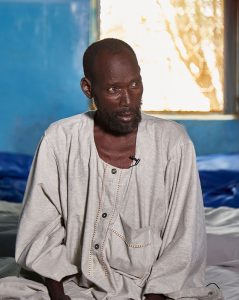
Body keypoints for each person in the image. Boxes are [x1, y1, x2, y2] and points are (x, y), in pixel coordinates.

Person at [0, 38, 223, 300]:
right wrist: (59, 296)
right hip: (72, 285)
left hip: (152, 289)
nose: (128, 100)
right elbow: (41, 230)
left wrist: (156, 296)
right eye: (114, 89)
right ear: (88, 89)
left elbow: (184, 239)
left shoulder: (173, 142)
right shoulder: (60, 139)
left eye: (135, 84)